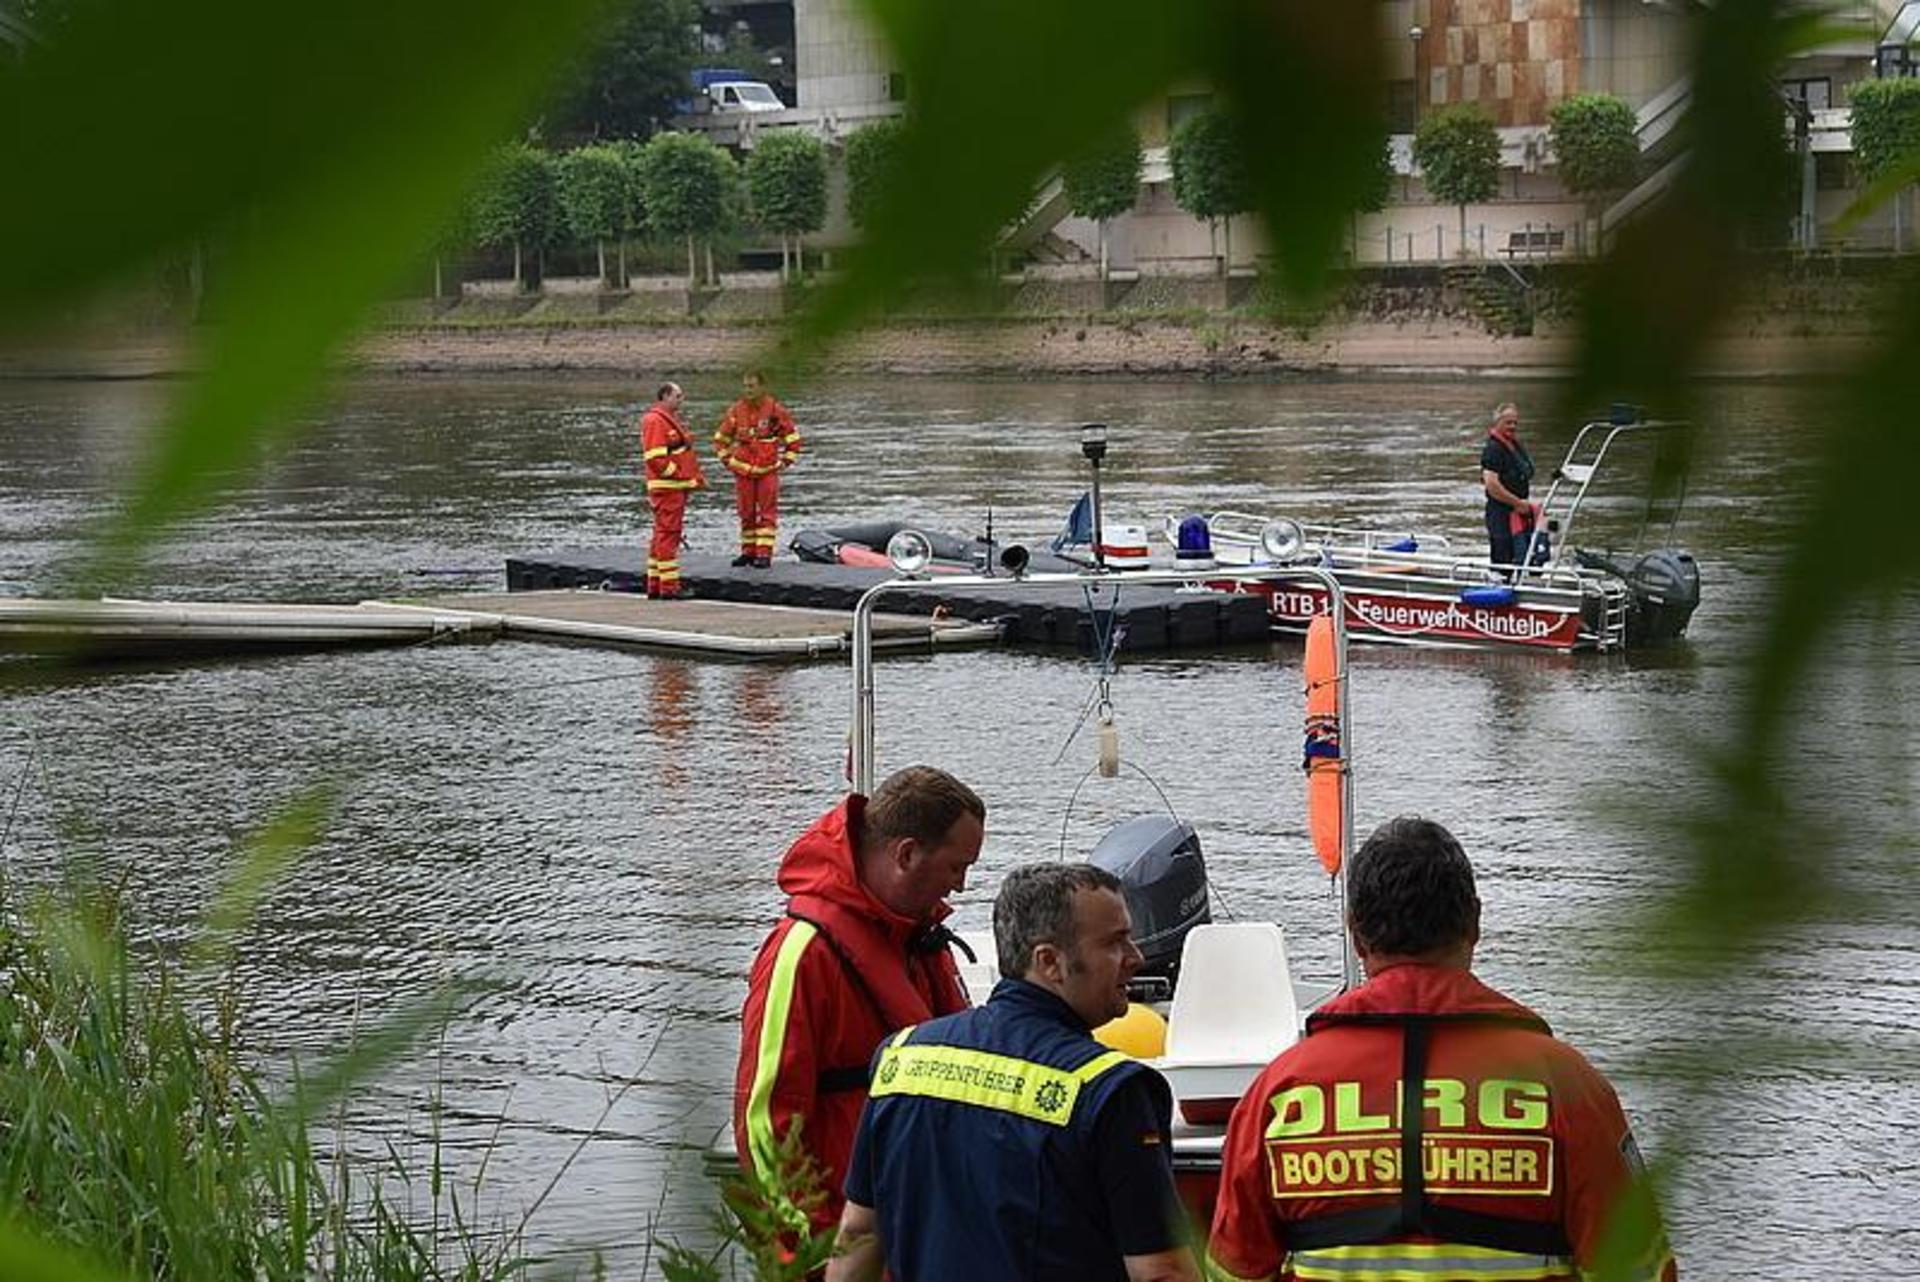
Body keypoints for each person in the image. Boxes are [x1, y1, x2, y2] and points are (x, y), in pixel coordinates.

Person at [1205, 817, 1678, 1282]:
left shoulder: (1278, 1094)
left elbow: (1235, 1270)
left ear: (1355, 934)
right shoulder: (1567, 1089)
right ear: (1474, 922)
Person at [826, 863, 1200, 1282]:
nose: (1136, 957)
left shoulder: (900, 1058)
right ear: (1050, 962)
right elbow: (1161, 1272)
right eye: (1115, 943)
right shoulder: (1110, 1090)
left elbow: (858, 1235)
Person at [734, 766, 985, 1239]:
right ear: (907, 854)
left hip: (921, 1230)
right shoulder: (804, 954)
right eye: (957, 867)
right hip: (846, 1241)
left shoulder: (917, 937)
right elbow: (765, 1125)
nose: (961, 887)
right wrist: (816, 1253)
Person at [714, 370, 803, 568]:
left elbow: (793, 440)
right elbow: (720, 440)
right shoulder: (736, 411)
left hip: (767, 471)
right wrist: (728, 461)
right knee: (746, 513)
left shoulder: (775, 411)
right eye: (745, 386)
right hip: (743, 471)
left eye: (752, 386)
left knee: (767, 513)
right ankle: (748, 552)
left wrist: (784, 462)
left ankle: (764, 554)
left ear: (762, 387)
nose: (748, 390)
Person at [640, 382, 706, 599]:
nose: (681, 399)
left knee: (660, 535)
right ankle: (669, 588)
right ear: (665, 396)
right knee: (668, 535)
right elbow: (655, 458)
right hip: (668, 488)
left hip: (671, 487)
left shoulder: (664, 419)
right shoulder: (655, 421)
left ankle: (655, 584)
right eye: (678, 396)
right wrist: (677, 472)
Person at [1480, 401, 1538, 571]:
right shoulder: (1493, 449)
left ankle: (1519, 583)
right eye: (1508, 422)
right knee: (1502, 555)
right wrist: (1517, 504)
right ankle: (1500, 587)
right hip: (1500, 513)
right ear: (1497, 423)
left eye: (1515, 423)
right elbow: (1492, 485)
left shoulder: (1514, 446)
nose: (1512, 426)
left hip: (1519, 512)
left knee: (1521, 554)